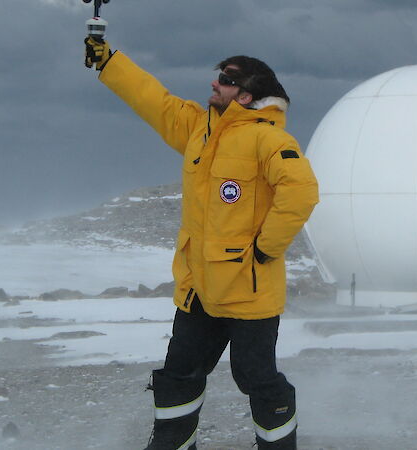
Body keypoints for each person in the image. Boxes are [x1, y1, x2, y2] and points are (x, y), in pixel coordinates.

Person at [85, 38, 319, 449]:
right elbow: (152, 99)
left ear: (246, 95)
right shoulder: (199, 128)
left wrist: (266, 249)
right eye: (218, 76)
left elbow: (300, 192)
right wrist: (107, 61)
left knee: (256, 379)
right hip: (198, 288)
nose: (215, 85)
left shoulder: (269, 140)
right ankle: (173, 443)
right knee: (179, 374)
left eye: (226, 80)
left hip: (248, 293)